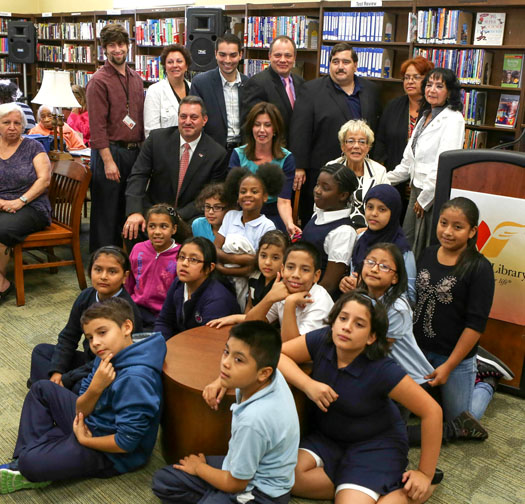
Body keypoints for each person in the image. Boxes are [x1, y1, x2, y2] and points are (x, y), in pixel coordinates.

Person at [278, 291, 442, 504]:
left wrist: (424, 473)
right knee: (284, 478)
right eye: (343, 318)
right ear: (334, 321)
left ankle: (419, 487)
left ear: (372, 337)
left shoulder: (383, 369)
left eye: (359, 324)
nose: (347, 327)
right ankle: (358, 486)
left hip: (375, 446)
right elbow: (278, 355)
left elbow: (432, 411)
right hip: (330, 438)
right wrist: (307, 384)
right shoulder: (323, 339)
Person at [0, 298, 166, 494]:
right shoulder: (106, 354)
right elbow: (81, 408)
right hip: (92, 421)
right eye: (89, 337)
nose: (95, 343)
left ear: (127, 327)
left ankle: (27, 464)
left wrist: (86, 440)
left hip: (113, 455)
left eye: (102, 332)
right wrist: (95, 388)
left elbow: (126, 443)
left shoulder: (137, 379)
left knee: (31, 462)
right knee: (41, 388)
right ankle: (25, 463)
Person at [152, 321, 300, 504]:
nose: (225, 363)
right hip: (238, 470)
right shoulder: (270, 378)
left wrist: (199, 469)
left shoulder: (254, 420)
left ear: (263, 373)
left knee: (198, 480)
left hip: (260, 493)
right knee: (164, 481)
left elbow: (236, 484)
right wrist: (221, 381)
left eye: (238, 360)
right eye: (226, 352)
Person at [358, 242, 490, 444]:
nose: (375, 269)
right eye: (371, 262)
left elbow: (378, 350)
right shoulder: (363, 298)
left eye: (384, 266)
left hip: (410, 377)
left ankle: (486, 384)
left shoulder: (398, 308)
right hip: (388, 369)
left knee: (394, 435)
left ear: (396, 277)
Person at [414, 197, 495, 426]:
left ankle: (486, 383)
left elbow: (475, 325)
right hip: (419, 351)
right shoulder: (427, 254)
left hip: (453, 357)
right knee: (410, 408)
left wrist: (449, 366)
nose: (448, 232)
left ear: (472, 231)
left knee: (458, 423)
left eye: (457, 227)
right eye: (443, 223)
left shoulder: (480, 268)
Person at [29, 245, 143, 393]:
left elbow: (112, 359)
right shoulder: (86, 296)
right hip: (89, 360)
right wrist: (57, 371)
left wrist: (67, 378)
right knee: (41, 352)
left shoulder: (126, 309)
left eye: (112, 271)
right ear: (90, 271)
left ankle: (52, 394)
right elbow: (69, 336)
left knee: (81, 386)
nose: (103, 276)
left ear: (125, 277)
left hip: (109, 369)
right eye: (98, 269)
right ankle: (50, 392)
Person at [290, 43, 381, 224]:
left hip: (360, 169)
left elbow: (376, 127)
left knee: (356, 220)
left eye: (346, 62)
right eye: (335, 61)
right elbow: (300, 129)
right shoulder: (312, 90)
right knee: (321, 219)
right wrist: (299, 166)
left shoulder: (371, 90)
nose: (340, 66)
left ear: (355, 65)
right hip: (323, 169)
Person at [387, 68, 465, 259]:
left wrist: (425, 198)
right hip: (416, 190)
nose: (432, 90)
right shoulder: (425, 116)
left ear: (450, 92)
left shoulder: (453, 119)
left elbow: (444, 162)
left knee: (422, 247)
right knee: (408, 243)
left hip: (432, 194)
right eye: (429, 85)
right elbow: (407, 163)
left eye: (439, 86)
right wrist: (380, 179)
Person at [124, 96, 228, 239]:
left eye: (194, 117)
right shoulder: (156, 140)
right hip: (154, 210)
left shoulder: (217, 154)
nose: (187, 122)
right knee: (133, 229)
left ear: (204, 120)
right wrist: (134, 212)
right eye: (183, 116)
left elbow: (209, 197)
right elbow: (138, 175)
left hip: (188, 216)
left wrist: (173, 217)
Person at [87, 23, 144, 252]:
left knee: (129, 210)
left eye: (121, 44)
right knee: (106, 213)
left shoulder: (136, 78)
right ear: (105, 49)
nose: (117, 49)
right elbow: (97, 126)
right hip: (109, 154)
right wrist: (108, 161)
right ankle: (101, 263)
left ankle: (126, 265)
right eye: (111, 45)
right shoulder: (98, 81)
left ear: (128, 46)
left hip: (133, 153)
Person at [0, 103, 51, 303]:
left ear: (23, 126)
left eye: (17, 123)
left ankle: (1, 284)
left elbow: (44, 180)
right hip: (3, 204)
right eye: (6, 122)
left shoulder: (33, 147)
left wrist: (19, 201)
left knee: (2, 229)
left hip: (32, 206)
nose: (12, 126)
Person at [214, 164, 283, 309]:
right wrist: (241, 259)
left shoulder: (267, 226)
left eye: (254, 191)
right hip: (221, 281)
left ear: (265, 196)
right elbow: (215, 248)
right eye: (243, 191)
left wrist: (224, 265)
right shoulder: (230, 216)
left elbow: (255, 264)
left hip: (249, 284)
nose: (248, 195)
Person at [373, 56, 434, 220]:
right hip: (394, 176)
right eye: (406, 78)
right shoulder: (394, 106)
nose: (410, 82)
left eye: (416, 77)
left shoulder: (434, 110)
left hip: (423, 184)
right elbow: (381, 140)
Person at [230, 102, 299, 236]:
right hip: (243, 213)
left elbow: (284, 201)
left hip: (272, 215)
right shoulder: (238, 154)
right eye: (257, 124)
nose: (262, 130)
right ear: (251, 128)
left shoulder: (286, 158)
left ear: (275, 130)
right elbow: (234, 196)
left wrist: (289, 224)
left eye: (267, 125)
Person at [340, 184, 416, 303]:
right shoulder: (361, 239)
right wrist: (347, 283)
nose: (374, 213)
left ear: (394, 212)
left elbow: (409, 296)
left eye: (382, 209)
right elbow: (354, 275)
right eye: (370, 207)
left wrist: (366, 289)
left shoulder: (402, 250)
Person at [154, 237, 240, 341]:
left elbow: (207, 341)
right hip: (179, 345)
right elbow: (164, 321)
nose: (184, 263)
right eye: (181, 257)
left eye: (193, 260)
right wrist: (161, 347)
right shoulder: (179, 283)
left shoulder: (217, 299)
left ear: (209, 268)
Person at [246, 242, 334, 337]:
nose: (295, 275)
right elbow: (249, 326)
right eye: (290, 267)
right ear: (283, 270)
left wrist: (290, 303)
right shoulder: (282, 289)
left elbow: (293, 348)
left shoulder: (320, 303)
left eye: (305, 270)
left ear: (316, 276)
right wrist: (269, 297)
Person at [207, 229, 290, 328]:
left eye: (275, 258)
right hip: (251, 325)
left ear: (285, 260)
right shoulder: (254, 276)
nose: (267, 262)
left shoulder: (281, 285)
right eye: (263, 256)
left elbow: (268, 320)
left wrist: (235, 318)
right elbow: (249, 306)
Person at [125, 204, 189, 329]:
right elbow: (129, 282)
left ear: (174, 229)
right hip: (135, 309)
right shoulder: (138, 249)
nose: (157, 232)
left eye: (164, 226)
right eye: (152, 226)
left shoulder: (181, 255)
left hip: (163, 315)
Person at [302, 163, 358, 296]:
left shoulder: (343, 231)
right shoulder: (317, 214)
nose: (317, 190)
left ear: (343, 195)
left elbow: (329, 284)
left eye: (325, 188)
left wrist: (303, 302)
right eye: (317, 184)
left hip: (316, 301)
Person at [190, 34, 248, 155]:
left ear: (240, 55)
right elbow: (195, 122)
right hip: (212, 154)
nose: (227, 60)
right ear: (216, 53)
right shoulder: (201, 83)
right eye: (222, 55)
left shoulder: (250, 84)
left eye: (233, 55)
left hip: (243, 154)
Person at [241, 35, 304, 145]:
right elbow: (248, 126)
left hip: (296, 152)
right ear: (269, 56)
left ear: (294, 57)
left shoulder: (301, 83)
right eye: (278, 55)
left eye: (288, 55)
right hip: (271, 153)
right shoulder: (257, 83)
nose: (283, 60)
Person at [327, 119, 390, 228]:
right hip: (336, 229)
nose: (356, 146)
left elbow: (386, 206)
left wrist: (366, 232)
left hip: (368, 231)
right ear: (343, 146)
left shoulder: (379, 171)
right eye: (351, 141)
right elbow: (321, 205)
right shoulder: (331, 168)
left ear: (368, 147)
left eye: (362, 142)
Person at [144, 43, 191, 138]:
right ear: (164, 67)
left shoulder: (194, 88)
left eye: (179, 61)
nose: (175, 65)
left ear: (186, 66)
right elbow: (151, 132)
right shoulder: (155, 91)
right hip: (165, 149)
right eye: (170, 62)